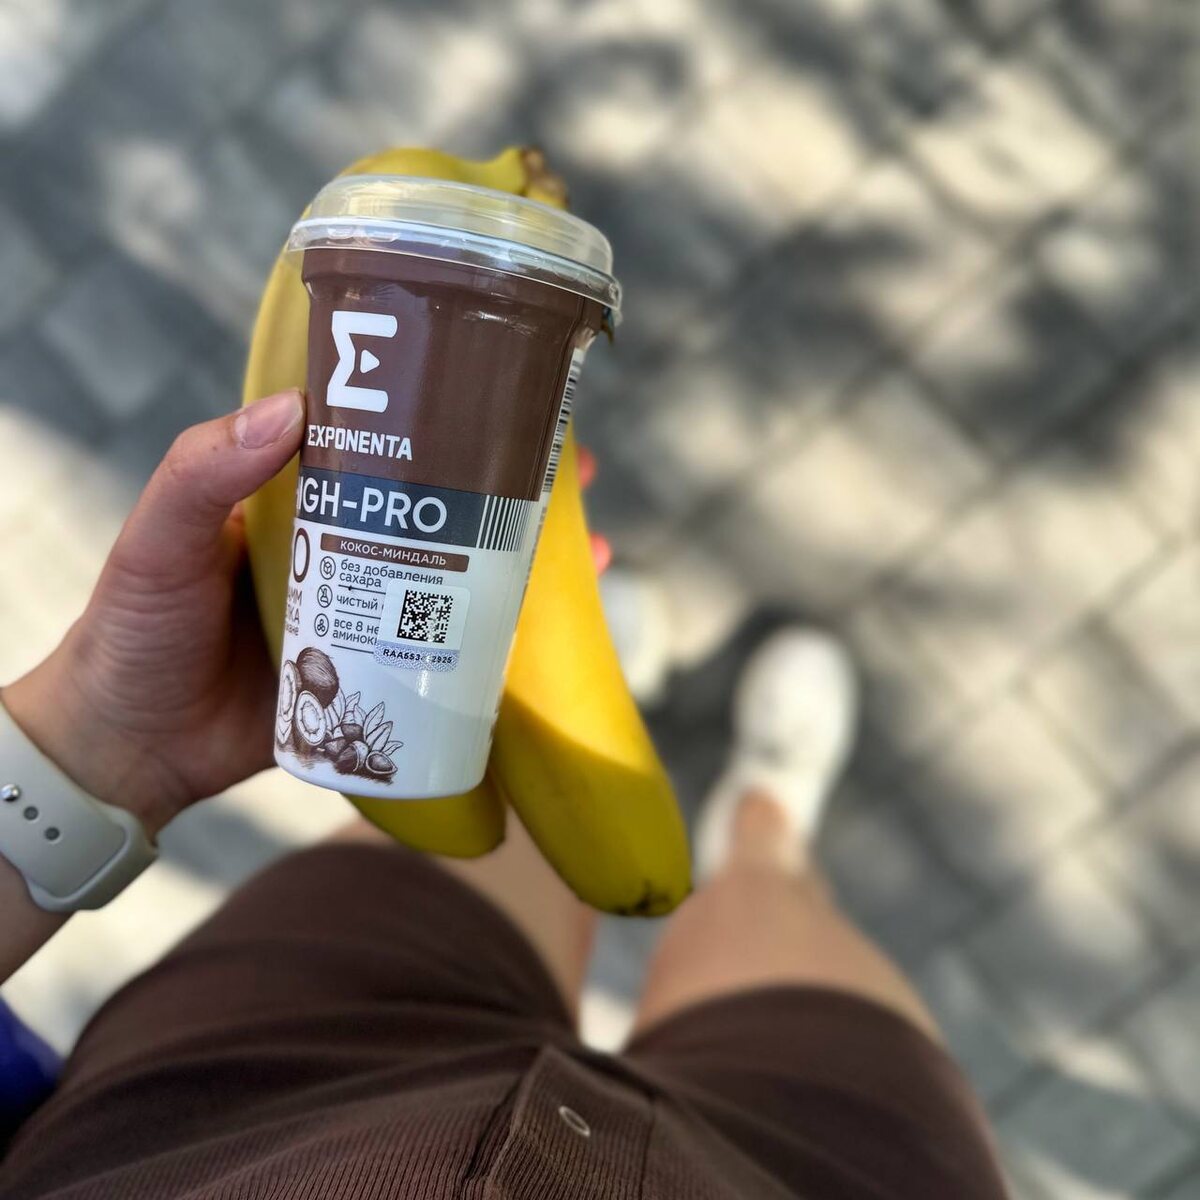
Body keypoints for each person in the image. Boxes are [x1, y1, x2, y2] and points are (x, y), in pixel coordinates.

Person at [0, 390, 1009, 1199]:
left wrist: (107, 746)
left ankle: (578, 713)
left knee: (504, 811)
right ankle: (764, 821)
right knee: (774, 916)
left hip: (230, 1098)